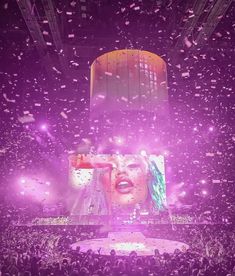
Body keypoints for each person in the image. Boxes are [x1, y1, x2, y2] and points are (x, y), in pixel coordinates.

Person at [69, 154, 167, 216]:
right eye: (110, 167)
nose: (121, 171)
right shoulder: (89, 210)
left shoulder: (160, 212)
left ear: (148, 174)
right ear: (100, 180)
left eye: (132, 166)